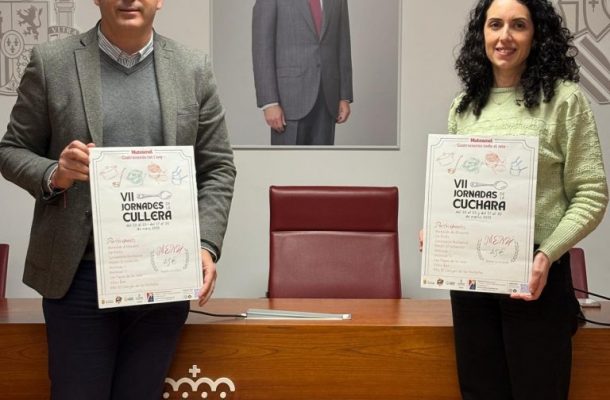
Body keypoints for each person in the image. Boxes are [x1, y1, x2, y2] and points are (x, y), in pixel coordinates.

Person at [0, 1, 236, 399]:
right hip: (78, 278)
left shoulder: (193, 68)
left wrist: (205, 244)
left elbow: (217, 167)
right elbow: (11, 150)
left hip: (162, 277)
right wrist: (56, 173)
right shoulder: (52, 63)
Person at [446, 0, 608, 399]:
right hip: (471, 282)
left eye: (518, 25)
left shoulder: (565, 100)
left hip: (536, 277)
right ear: (481, 34)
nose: (505, 36)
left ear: (537, 35)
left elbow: (591, 194)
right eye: (495, 25)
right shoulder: (464, 107)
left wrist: (546, 255)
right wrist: (440, 228)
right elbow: (456, 191)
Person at [252, 0, 353, 145]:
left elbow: (343, 42)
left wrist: (344, 96)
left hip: (327, 99)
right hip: (288, 101)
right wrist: (269, 102)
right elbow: (262, 47)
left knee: (323, 159)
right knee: (288, 160)